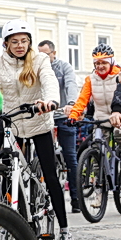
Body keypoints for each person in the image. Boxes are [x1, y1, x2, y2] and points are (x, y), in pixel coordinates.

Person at [0, 19, 76, 240]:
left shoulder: (39, 59)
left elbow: (49, 80)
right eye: (15, 41)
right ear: (6, 43)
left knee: (50, 176)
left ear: (29, 42)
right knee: (8, 174)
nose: (20, 45)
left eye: (24, 41)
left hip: (39, 122)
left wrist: (50, 101)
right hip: (13, 124)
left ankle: (64, 230)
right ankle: (10, 225)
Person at [67, 43, 121, 172]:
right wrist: (73, 116)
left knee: (119, 133)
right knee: (97, 146)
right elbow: (82, 100)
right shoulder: (91, 79)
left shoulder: (120, 75)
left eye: (103, 63)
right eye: (97, 63)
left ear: (110, 62)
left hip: (120, 117)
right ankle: (98, 183)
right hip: (101, 119)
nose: (100, 66)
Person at [39, 38, 79, 206]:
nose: (41, 58)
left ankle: (76, 199)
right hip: (44, 117)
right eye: (38, 55)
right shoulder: (37, 68)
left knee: (70, 157)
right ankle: (42, 196)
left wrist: (71, 104)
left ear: (53, 54)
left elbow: (71, 85)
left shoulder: (64, 67)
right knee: (39, 158)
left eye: (45, 55)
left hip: (63, 116)